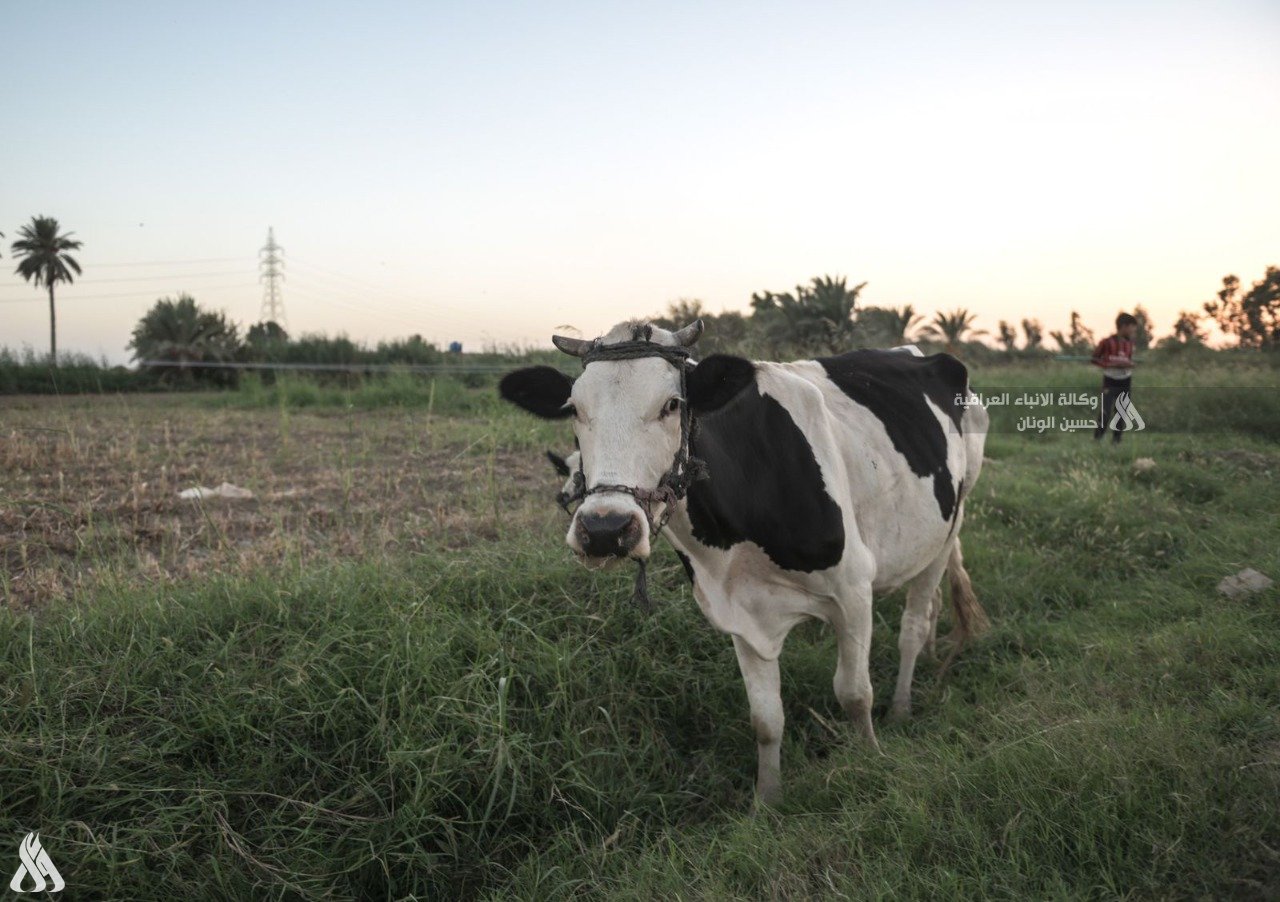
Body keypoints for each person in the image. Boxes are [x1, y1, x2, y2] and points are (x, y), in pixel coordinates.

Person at [1091, 312, 1138, 444]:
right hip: (1110, 380)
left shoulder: (1130, 344)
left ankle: (1116, 442)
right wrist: (1108, 364)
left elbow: (1128, 360)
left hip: (1125, 380)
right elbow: (1094, 359)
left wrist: (1130, 364)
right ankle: (1097, 440)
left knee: (1121, 412)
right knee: (1105, 411)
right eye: (1132, 327)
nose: (1133, 331)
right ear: (1123, 326)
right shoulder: (1106, 342)